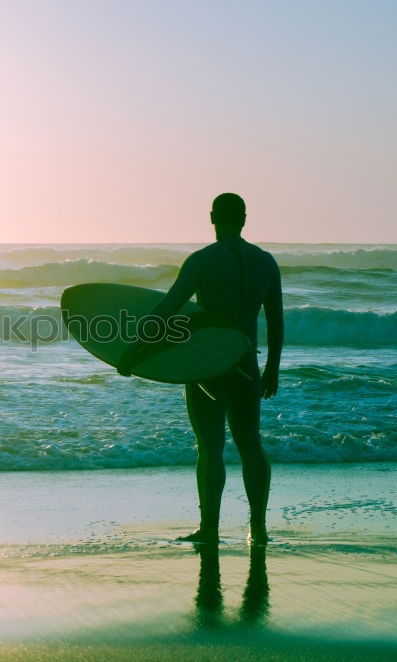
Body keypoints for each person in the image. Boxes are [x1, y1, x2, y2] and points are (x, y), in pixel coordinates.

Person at [116, 193, 283, 544]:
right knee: (250, 445)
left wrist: (132, 350)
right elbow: (276, 322)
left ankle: (209, 529)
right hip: (247, 362)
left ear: (212, 217)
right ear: (244, 218)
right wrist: (272, 369)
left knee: (210, 447)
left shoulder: (202, 260)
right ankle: (259, 528)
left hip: (207, 365)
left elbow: (168, 308)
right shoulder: (266, 262)